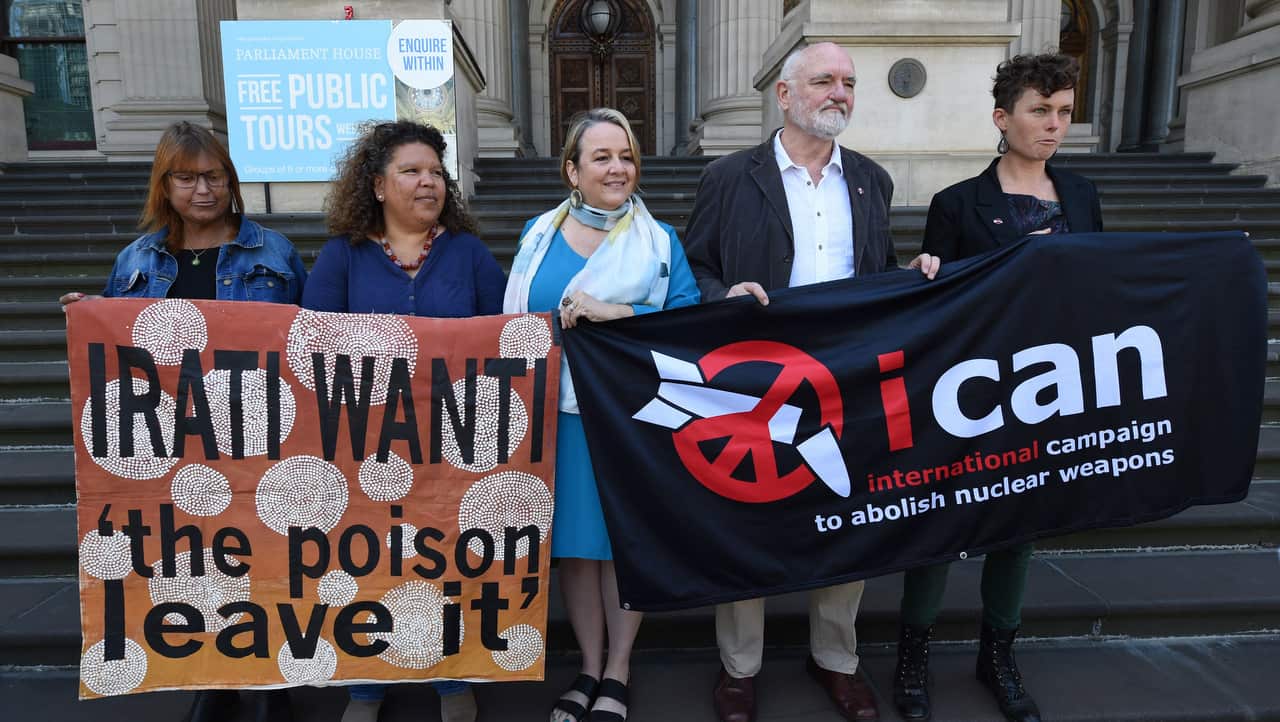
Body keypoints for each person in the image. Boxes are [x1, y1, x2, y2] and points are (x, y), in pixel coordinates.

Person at [682, 42, 940, 722]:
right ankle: (740, 668)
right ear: (785, 96)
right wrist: (722, 292)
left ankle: (837, 659)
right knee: (749, 512)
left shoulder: (871, 180)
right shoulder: (730, 178)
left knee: (845, 514)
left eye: (849, 83)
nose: (840, 93)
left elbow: (877, 271)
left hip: (847, 378)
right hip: (755, 378)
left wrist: (913, 277)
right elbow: (694, 267)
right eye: (824, 80)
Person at [60, 121, 305, 722]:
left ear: (231, 180)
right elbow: (121, 354)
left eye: (214, 176)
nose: (203, 189)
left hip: (258, 434)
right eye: (188, 178)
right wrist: (90, 318)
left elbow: (309, 341)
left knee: (267, 556)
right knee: (195, 560)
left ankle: (271, 679)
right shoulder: (136, 260)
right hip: (173, 444)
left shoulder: (274, 252)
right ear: (163, 185)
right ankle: (215, 678)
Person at [893, 53, 1101, 722]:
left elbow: (1106, 289)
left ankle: (998, 654)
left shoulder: (1083, 197)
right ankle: (913, 653)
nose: (1055, 125)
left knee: (1020, 525)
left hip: (1049, 390)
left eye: (1064, 111)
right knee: (942, 520)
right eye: (1040, 110)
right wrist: (925, 271)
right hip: (971, 393)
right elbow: (937, 302)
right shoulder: (958, 203)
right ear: (1002, 117)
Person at [302, 120, 505, 722]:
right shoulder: (343, 255)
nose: (428, 182)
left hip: (454, 446)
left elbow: (507, 335)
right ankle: (365, 681)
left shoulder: (467, 254)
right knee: (367, 560)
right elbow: (308, 342)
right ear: (378, 186)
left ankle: (449, 676)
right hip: (365, 448)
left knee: (445, 561)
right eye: (412, 172)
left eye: (436, 173)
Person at [503, 108, 699, 722]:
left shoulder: (661, 243)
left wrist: (619, 315)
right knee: (577, 552)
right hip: (555, 419)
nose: (618, 169)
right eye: (602, 157)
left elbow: (689, 327)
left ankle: (619, 670)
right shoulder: (537, 235)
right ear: (572, 170)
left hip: (628, 420)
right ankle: (588, 666)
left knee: (621, 546)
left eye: (627, 156)